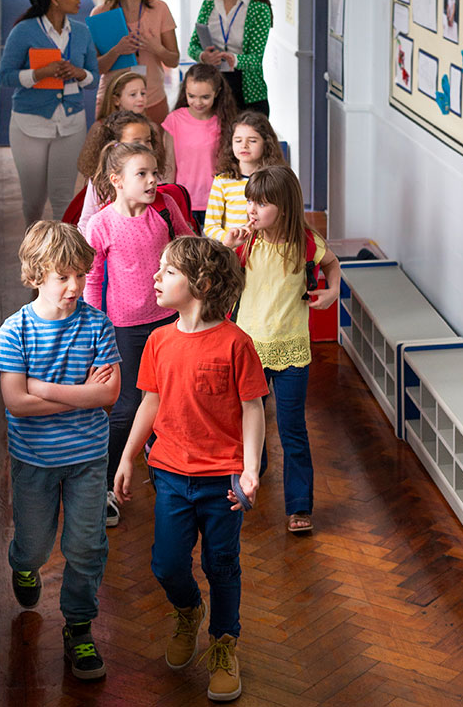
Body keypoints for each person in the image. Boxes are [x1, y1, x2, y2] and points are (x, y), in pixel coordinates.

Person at [113, 235, 268, 701]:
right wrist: (126, 455)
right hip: (170, 477)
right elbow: (150, 403)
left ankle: (224, 643)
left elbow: (253, 408)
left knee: (222, 565)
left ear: (200, 283)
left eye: (168, 272)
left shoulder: (236, 344)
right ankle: (187, 610)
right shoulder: (159, 341)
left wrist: (252, 469)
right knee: (167, 564)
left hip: (223, 481)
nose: (155, 277)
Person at [0, 221, 121, 680]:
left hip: (88, 459)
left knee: (86, 547)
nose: (75, 285)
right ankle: (22, 564)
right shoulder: (14, 331)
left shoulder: (97, 323)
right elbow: (16, 403)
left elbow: (107, 396)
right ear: (37, 273)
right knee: (36, 545)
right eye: (63, 276)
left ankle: (79, 628)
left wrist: (42, 386)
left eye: (81, 275)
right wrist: (75, 390)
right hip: (35, 462)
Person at [223, 165, 341, 533]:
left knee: (292, 429)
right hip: (248, 350)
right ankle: (250, 475)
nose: (252, 210)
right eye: (249, 202)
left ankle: (299, 506)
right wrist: (227, 246)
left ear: (285, 207)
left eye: (261, 203)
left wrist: (333, 291)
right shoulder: (246, 242)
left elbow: (332, 264)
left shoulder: (307, 243)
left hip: (292, 352)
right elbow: (212, 273)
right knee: (244, 422)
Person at [84, 142, 191, 526]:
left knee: (169, 402)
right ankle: (106, 487)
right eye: (141, 175)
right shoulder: (101, 224)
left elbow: (186, 246)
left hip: (169, 323)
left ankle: (171, 479)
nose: (152, 181)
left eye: (154, 173)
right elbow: (93, 281)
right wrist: (97, 331)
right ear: (116, 181)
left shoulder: (165, 208)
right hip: (124, 329)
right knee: (127, 407)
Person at [0, 0, 100, 226]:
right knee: (33, 201)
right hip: (29, 124)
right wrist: (38, 73)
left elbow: (93, 80)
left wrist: (78, 73)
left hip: (71, 124)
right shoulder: (23, 31)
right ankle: (33, 257)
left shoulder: (82, 32)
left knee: (64, 198)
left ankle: (61, 261)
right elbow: (5, 76)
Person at [91, 0, 179, 123]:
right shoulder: (101, 14)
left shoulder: (160, 9)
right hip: (113, 103)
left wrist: (156, 48)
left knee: (155, 148)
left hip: (151, 99)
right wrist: (117, 50)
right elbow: (97, 68)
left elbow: (174, 61)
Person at [188, 0, 272, 116]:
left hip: (247, 95)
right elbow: (193, 46)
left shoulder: (259, 10)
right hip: (213, 90)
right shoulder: (208, 5)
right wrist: (203, 56)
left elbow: (255, 60)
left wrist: (234, 59)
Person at [162, 64, 237, 228]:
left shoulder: (224, 122)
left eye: (205, 97)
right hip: (184, 200)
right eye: (192, 96)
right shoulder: (174, 120)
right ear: (185, 92)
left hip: (217, 200)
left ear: (216, 93)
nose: (198, 102)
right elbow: (169, 164)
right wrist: (168, 197)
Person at [78, 110, 165, 236]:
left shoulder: (153, 176)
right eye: (136, 142)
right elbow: (86, 221)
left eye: (148, 140)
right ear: (116, 145)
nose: (144, 146)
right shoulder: (100, 181)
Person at [203, 111, 284, 242]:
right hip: (234, 252)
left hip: (267, 250)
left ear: (266, 144)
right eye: (238, 140)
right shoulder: (222, 181)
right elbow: (210, 226)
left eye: (252, 140)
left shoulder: (276, 180)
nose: (244, 145)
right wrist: (231, 238)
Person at [77, 71, 151, 180]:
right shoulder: (101, 127)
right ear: (116, 100)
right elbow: (87, 167)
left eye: (143, 93)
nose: (140, 99)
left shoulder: (150, 126)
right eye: (133, 94)